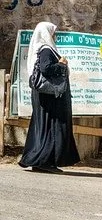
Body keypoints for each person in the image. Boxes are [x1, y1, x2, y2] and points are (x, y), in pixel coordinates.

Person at [19, 21, 80, 173]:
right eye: (53, 32)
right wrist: (61, 64)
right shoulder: (46, 49)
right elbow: (46, 68)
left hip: (46, 97)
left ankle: (39, 160)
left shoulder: (43, 49)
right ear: (47, 33)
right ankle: (45, 161)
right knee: (50, 127)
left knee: (44, 127)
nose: (55, 35)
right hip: (49, 97)